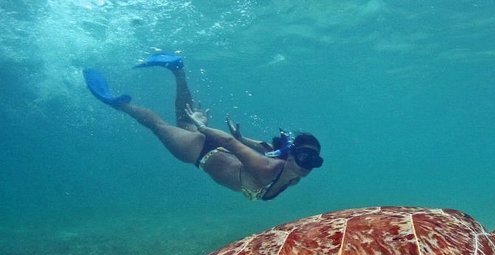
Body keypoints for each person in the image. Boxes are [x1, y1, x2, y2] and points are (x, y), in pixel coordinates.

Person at [83, 53, 323, 200]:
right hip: (199, 152)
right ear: (292, 155)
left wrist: (242, 137)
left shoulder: (292, 176)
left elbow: (265, 146)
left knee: (182, 122)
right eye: (303, 156)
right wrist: (203, 128)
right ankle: (117, 104)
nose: (307, 165)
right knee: (157, 125)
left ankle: (177, 68)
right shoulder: (267, 168)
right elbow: (229, 143)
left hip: (209, 148)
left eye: (313, 160)